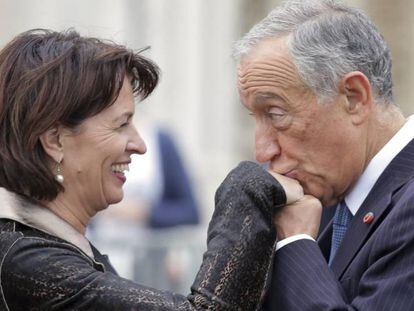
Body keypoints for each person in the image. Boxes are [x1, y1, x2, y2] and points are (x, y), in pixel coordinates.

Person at [0, 29, 303, 310]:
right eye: (121, 124)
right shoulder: (26, 261)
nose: (139, 144)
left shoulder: (37, 246)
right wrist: (249, 187)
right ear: (55, 140)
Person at [233, 0, 414, 310]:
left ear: (354, 97)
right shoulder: (327, 195)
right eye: (256, 117)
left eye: (276, 114)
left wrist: (295, 243)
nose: (262, 150)